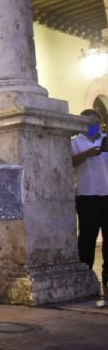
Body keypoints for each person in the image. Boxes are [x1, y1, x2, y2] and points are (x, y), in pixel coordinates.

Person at [71, 108, 108, 286]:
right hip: (87, 195)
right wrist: (88, 154)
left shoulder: (105, 140)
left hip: (107, 194)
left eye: (97, 123)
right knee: (88, 237)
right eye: (90, 123)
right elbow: (69, 162)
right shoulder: (75, 142)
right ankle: (85, 275)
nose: (95, 126)